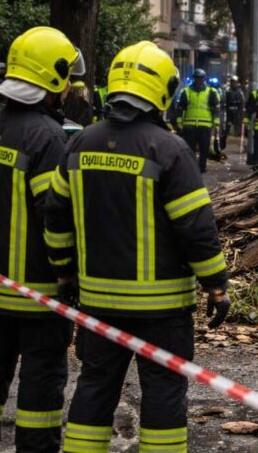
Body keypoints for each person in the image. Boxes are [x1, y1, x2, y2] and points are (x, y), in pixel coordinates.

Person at [44, 41, 230, 453]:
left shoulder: (80, 144)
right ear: (162, 91)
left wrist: (64, 272)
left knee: (94, 386)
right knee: (163, 391)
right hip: (162, 310)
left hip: (98, 303)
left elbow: (55, 217)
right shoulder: (170, 149)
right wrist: (216, 285)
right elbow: (196, 229)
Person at [0, 26, 85, 453]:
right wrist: (69, 275)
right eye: (67, 80)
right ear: (53, 79)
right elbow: (54, 216)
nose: (70, 88)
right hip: (39, 294)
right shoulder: (49, 138)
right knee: (40, 387)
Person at [174, 68, 220, 173]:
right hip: (189, 125)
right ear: (194, 78)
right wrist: (179, 123)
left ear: (204, 79)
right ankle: (191, 168)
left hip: (205, 125)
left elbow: (216, 108)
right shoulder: (186, 91)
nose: (199, 80)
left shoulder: (211, 92)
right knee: (190, 149)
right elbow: (180, 108)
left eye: (201, 78)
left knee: (204, 148)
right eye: (197, 78)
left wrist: (216, 123)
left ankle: (202, 168)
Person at [223, 77, 245, 150]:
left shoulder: (240, 92)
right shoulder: (227, 92)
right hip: (229, 112)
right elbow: (224, 102)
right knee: (226, 129)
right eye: (232, 82)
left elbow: (242, 103)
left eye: (235, 82)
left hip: (237, 112)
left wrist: (241, 113)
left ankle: (240, 145)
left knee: (238, 128)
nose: (234, 84)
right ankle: (223, 143)